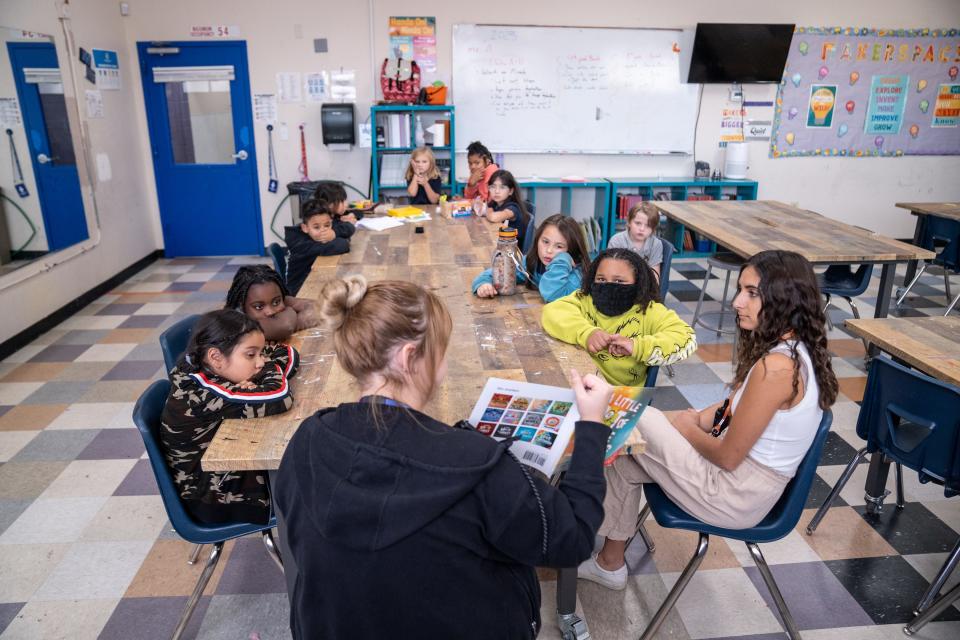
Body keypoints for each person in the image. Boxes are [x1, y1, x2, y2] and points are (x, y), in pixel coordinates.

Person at [274, 276, 614, 639]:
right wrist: (591, 425)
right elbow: (573, 537)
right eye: (442, 349)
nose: (446, 362)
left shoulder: (306, 440)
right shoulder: (479, 467)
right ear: (409, 358)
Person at [577, 250, 839, 591]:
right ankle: (609, 564)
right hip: (741, 484)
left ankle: (569, 518)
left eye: (751, 293)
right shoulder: (794, 349)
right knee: (628, 454)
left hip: (735, 495)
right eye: (740, 290)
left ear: (784, 298)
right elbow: (737, 406)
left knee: (639, 417)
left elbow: (728, 456)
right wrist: (695, 419)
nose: (736, 302)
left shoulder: (776, 369)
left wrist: (685, 428)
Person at [160, 309, 299, 525]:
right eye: (251, 354)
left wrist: (258, 378)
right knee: (308, 469)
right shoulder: (202, 392)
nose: (260, 361)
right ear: (215, 357)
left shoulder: (206, 365)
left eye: (260, 352)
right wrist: (263, 379)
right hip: (218, 497)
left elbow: (288, 352)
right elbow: (279, 397)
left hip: (224, 476)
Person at [542, 248, 697, 386]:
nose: (608, 285)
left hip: (620, 396)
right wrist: (587, 333)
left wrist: (637, 346)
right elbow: (552, 311)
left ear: (638, 283)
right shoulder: (586, 298)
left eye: (619, 281)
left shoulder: (648, 310)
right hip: (582, 381)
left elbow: (687, 338)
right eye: (601, 279)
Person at [473, 213, 587, 303]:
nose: (549, 250)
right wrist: (484, 284)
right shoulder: (533, 262)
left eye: (559, 246)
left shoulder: (576, 276)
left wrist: (563, 259)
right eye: (545, 242)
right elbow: (497, 272)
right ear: (537, 240)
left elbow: (552, 295)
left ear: (572, 250)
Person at [225, 265, 318, 342]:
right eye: (258, 307)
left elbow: (319, 307)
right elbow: (286, 326)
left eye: (276, 302)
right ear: (241, 306)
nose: (270, 312)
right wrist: (289, 312)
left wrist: (291, 322)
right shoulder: (237, 325)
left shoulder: (280, 300)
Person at [284, 199, 352, 295]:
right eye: (316, 227)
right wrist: (341, 239)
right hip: (299, 291)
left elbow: (349, 227)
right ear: (305, 228)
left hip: (313, 277)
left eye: (327, 225)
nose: (323, 231)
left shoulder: (319, 230)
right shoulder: (300, 244)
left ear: (331, 223)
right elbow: (342, 245)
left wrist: (334, 233)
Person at [607, 201, 663, 280]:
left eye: (648, 226)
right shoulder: (616, 241)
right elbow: (610, 271)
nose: (642, 229)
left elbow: (655, 276)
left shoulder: (656, 244)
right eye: (638, 223)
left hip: (644, 285)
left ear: (653, 229)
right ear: (629, 222)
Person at [483, 169, 531, 249]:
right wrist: (488, 209)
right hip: (501, 243)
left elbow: (493, 217)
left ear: (510, 191)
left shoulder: (513, 208)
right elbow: (488, 209)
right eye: (493, 187)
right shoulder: (495, 203)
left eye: (502, 187)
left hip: (511, 251)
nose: (497, 191)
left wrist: (487, 210)